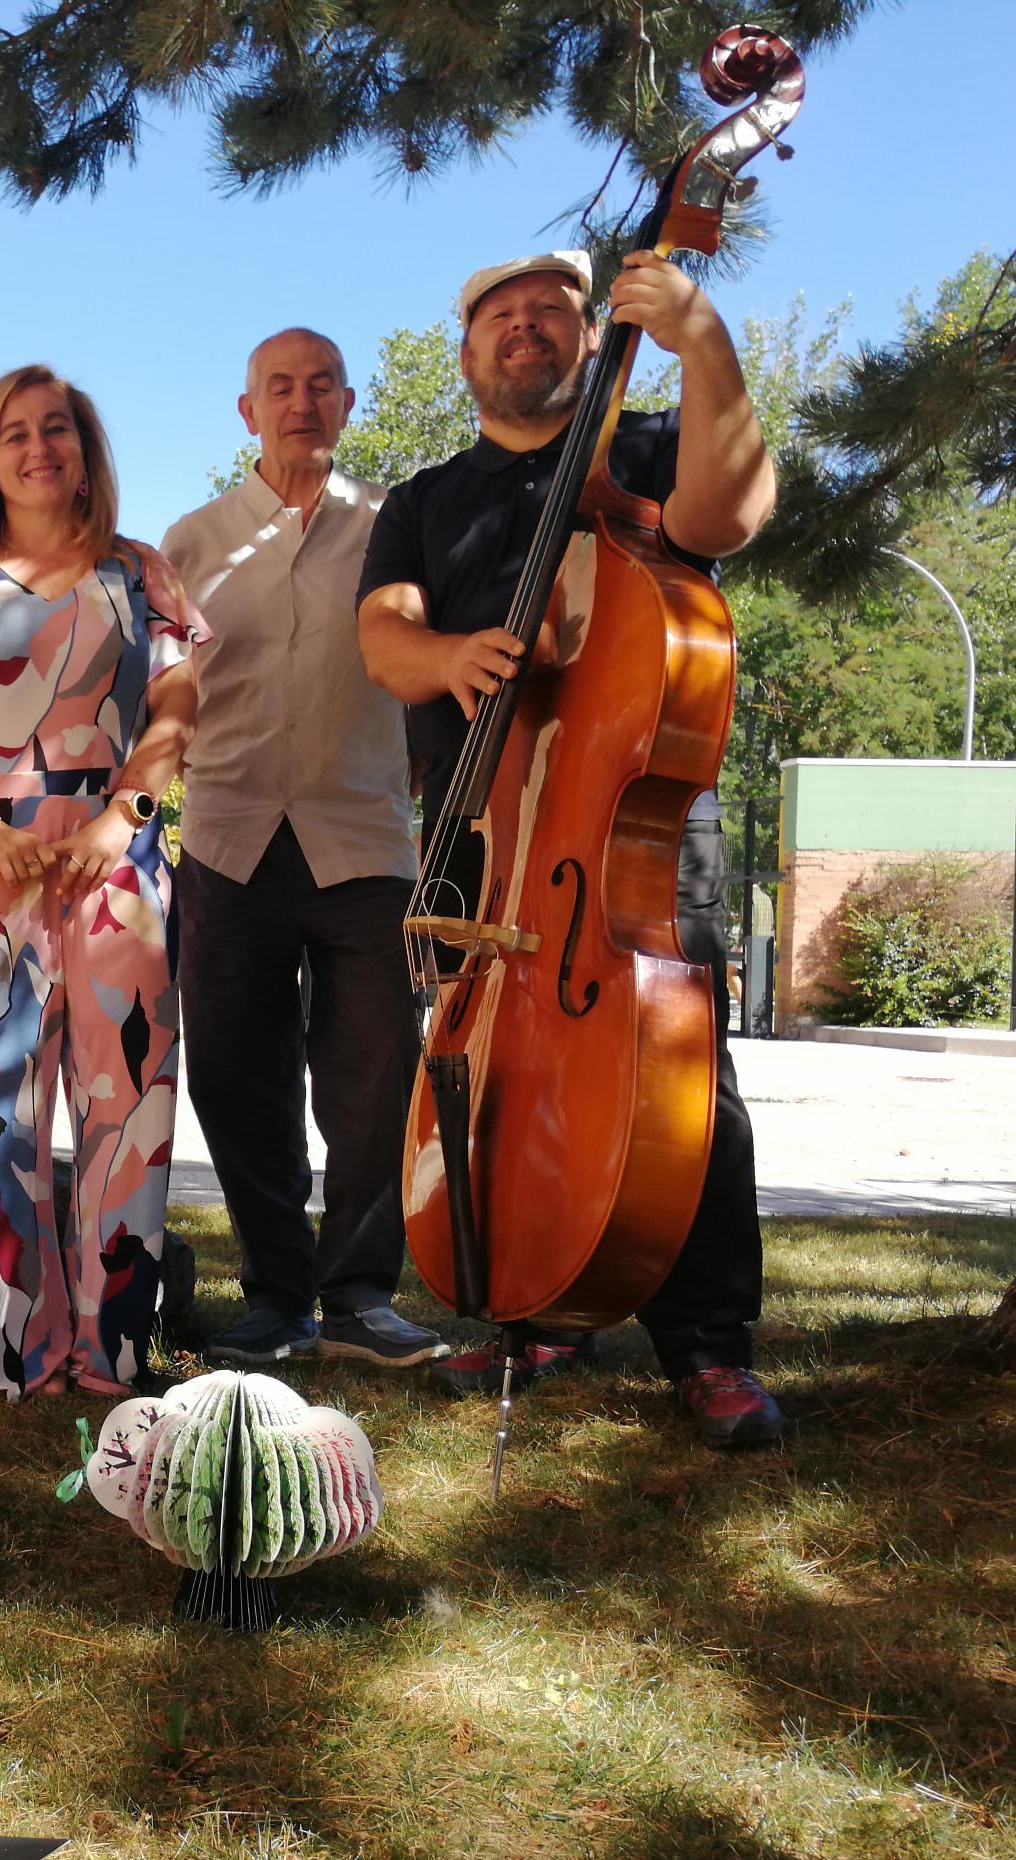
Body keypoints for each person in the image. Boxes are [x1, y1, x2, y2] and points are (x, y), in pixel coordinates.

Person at [356, 248, 784, 1449]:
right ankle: (536, 1305)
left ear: (592, 338)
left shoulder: (644, 450)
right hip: (481, 823)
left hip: (628, 814)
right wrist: (446, 660)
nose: (526, 327)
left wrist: (701, 338)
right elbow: (383, 639)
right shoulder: (426, 498)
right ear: (467, 354)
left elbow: (728, 517)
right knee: (501, 1069)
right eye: (501, 314)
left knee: (683, 1075)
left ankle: (707, 1348)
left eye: (551, 309)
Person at [0, 364, 203, 1397]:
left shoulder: (141, 572)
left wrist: (123, 821)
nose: (36, 447)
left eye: (54, 428)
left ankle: (112, 1352)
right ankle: (6, 1358)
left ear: (84, 446)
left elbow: (176, 714)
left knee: (128, 1102)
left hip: (113, 863)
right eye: (13, 432)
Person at [161, 328, 447, 1372]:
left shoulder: (394, 529)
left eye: (320, 384)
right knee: (237, 1076)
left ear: (347, 403)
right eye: (278, 387)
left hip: (365, 837)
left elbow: (422, 661)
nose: (300, 402)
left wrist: (424, 770)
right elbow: (156, 695)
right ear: (247, 412)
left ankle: (361, 1295)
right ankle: (277, 1294)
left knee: (376, 1071)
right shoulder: (187, 544)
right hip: (229, 840)